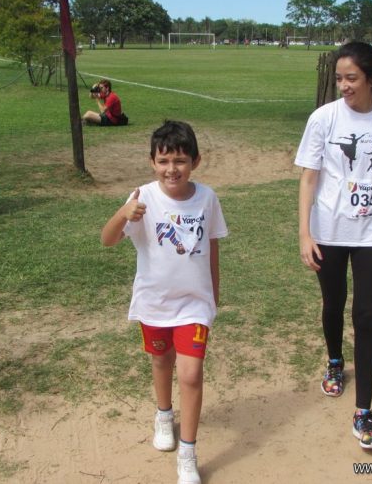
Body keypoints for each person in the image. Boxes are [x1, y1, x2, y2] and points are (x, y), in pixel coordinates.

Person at [295, 42, 372, 450]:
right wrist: (305, 233)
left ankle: (363, 411)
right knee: (333, 304)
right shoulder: (323, 118)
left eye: (352, 78)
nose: (344, 86)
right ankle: (335, 361)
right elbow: (309, 177)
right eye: (339, 79)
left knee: (365, 316)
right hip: (329, 230)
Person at [101, 120, 228, 484]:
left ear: (195, 162)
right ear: (152, 162)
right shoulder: (142, 197)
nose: (172, 168)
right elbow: (107, 239)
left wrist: (214, 294)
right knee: (161, 360)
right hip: (154, 302)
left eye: (180, 160)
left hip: (194, 305)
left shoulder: (207, 198)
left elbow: (212, 247)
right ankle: (163, 415)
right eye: (164, 161)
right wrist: (123, 214)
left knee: (190, 373)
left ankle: (188, 454)